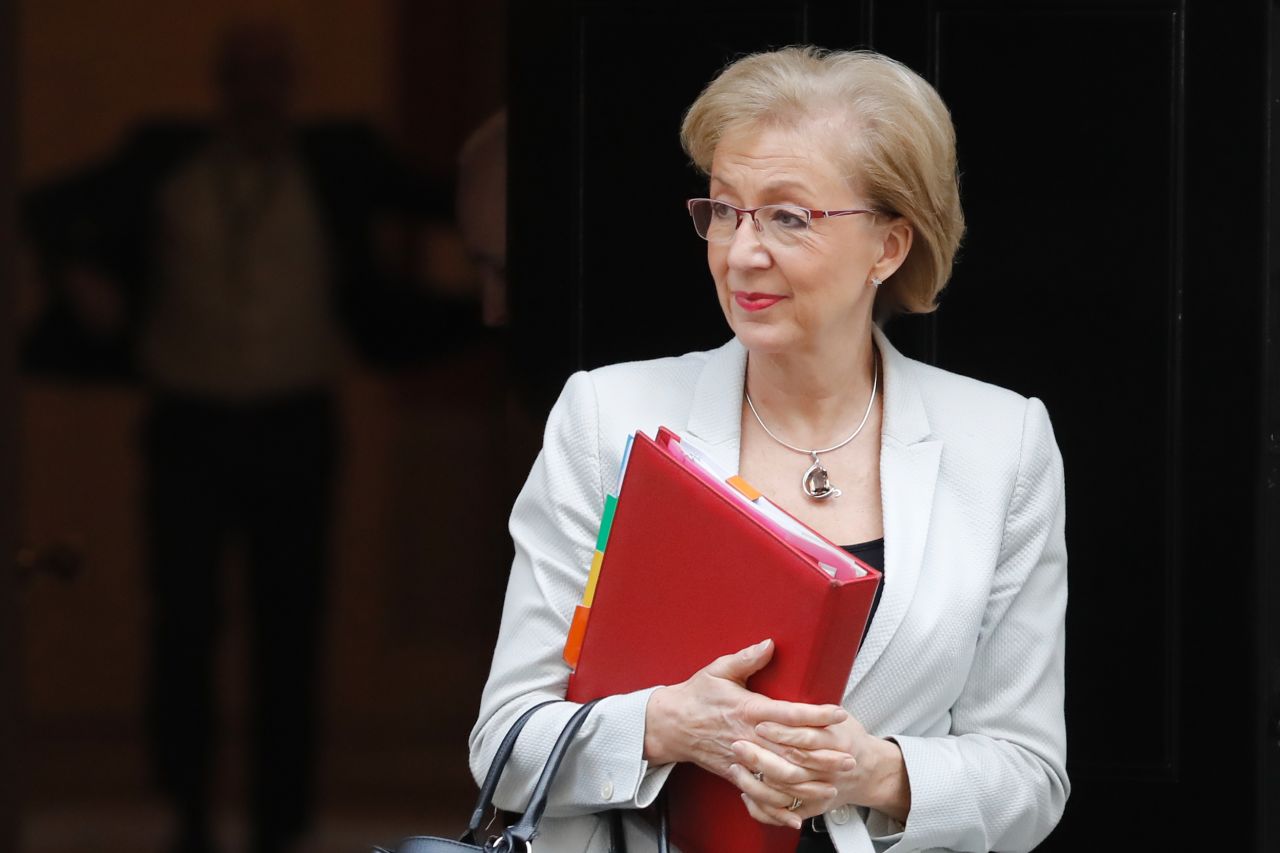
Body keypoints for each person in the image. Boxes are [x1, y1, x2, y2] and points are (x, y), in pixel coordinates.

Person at [469, 47, 1068, 853]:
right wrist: (668, 725)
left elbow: (1030, 776)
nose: (741, 251)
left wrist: (873, 772)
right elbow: (503, 745)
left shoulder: (1003, 443)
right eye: (724, 209)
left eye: (788, 216)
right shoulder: (608, 417)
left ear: (888, 247)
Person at [21, 20, 468, 853]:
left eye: (272, 75)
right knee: (183, 622)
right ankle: (185, 810)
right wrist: (82, 281)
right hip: (186, 422)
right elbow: (46, 208)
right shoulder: (163, 161)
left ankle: (279, 823)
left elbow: (452, 203)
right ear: (222, 84)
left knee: (290, 625)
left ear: (289, 86)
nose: (258, 92)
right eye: (243, 75)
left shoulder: (336, 162)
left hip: (296, 422)